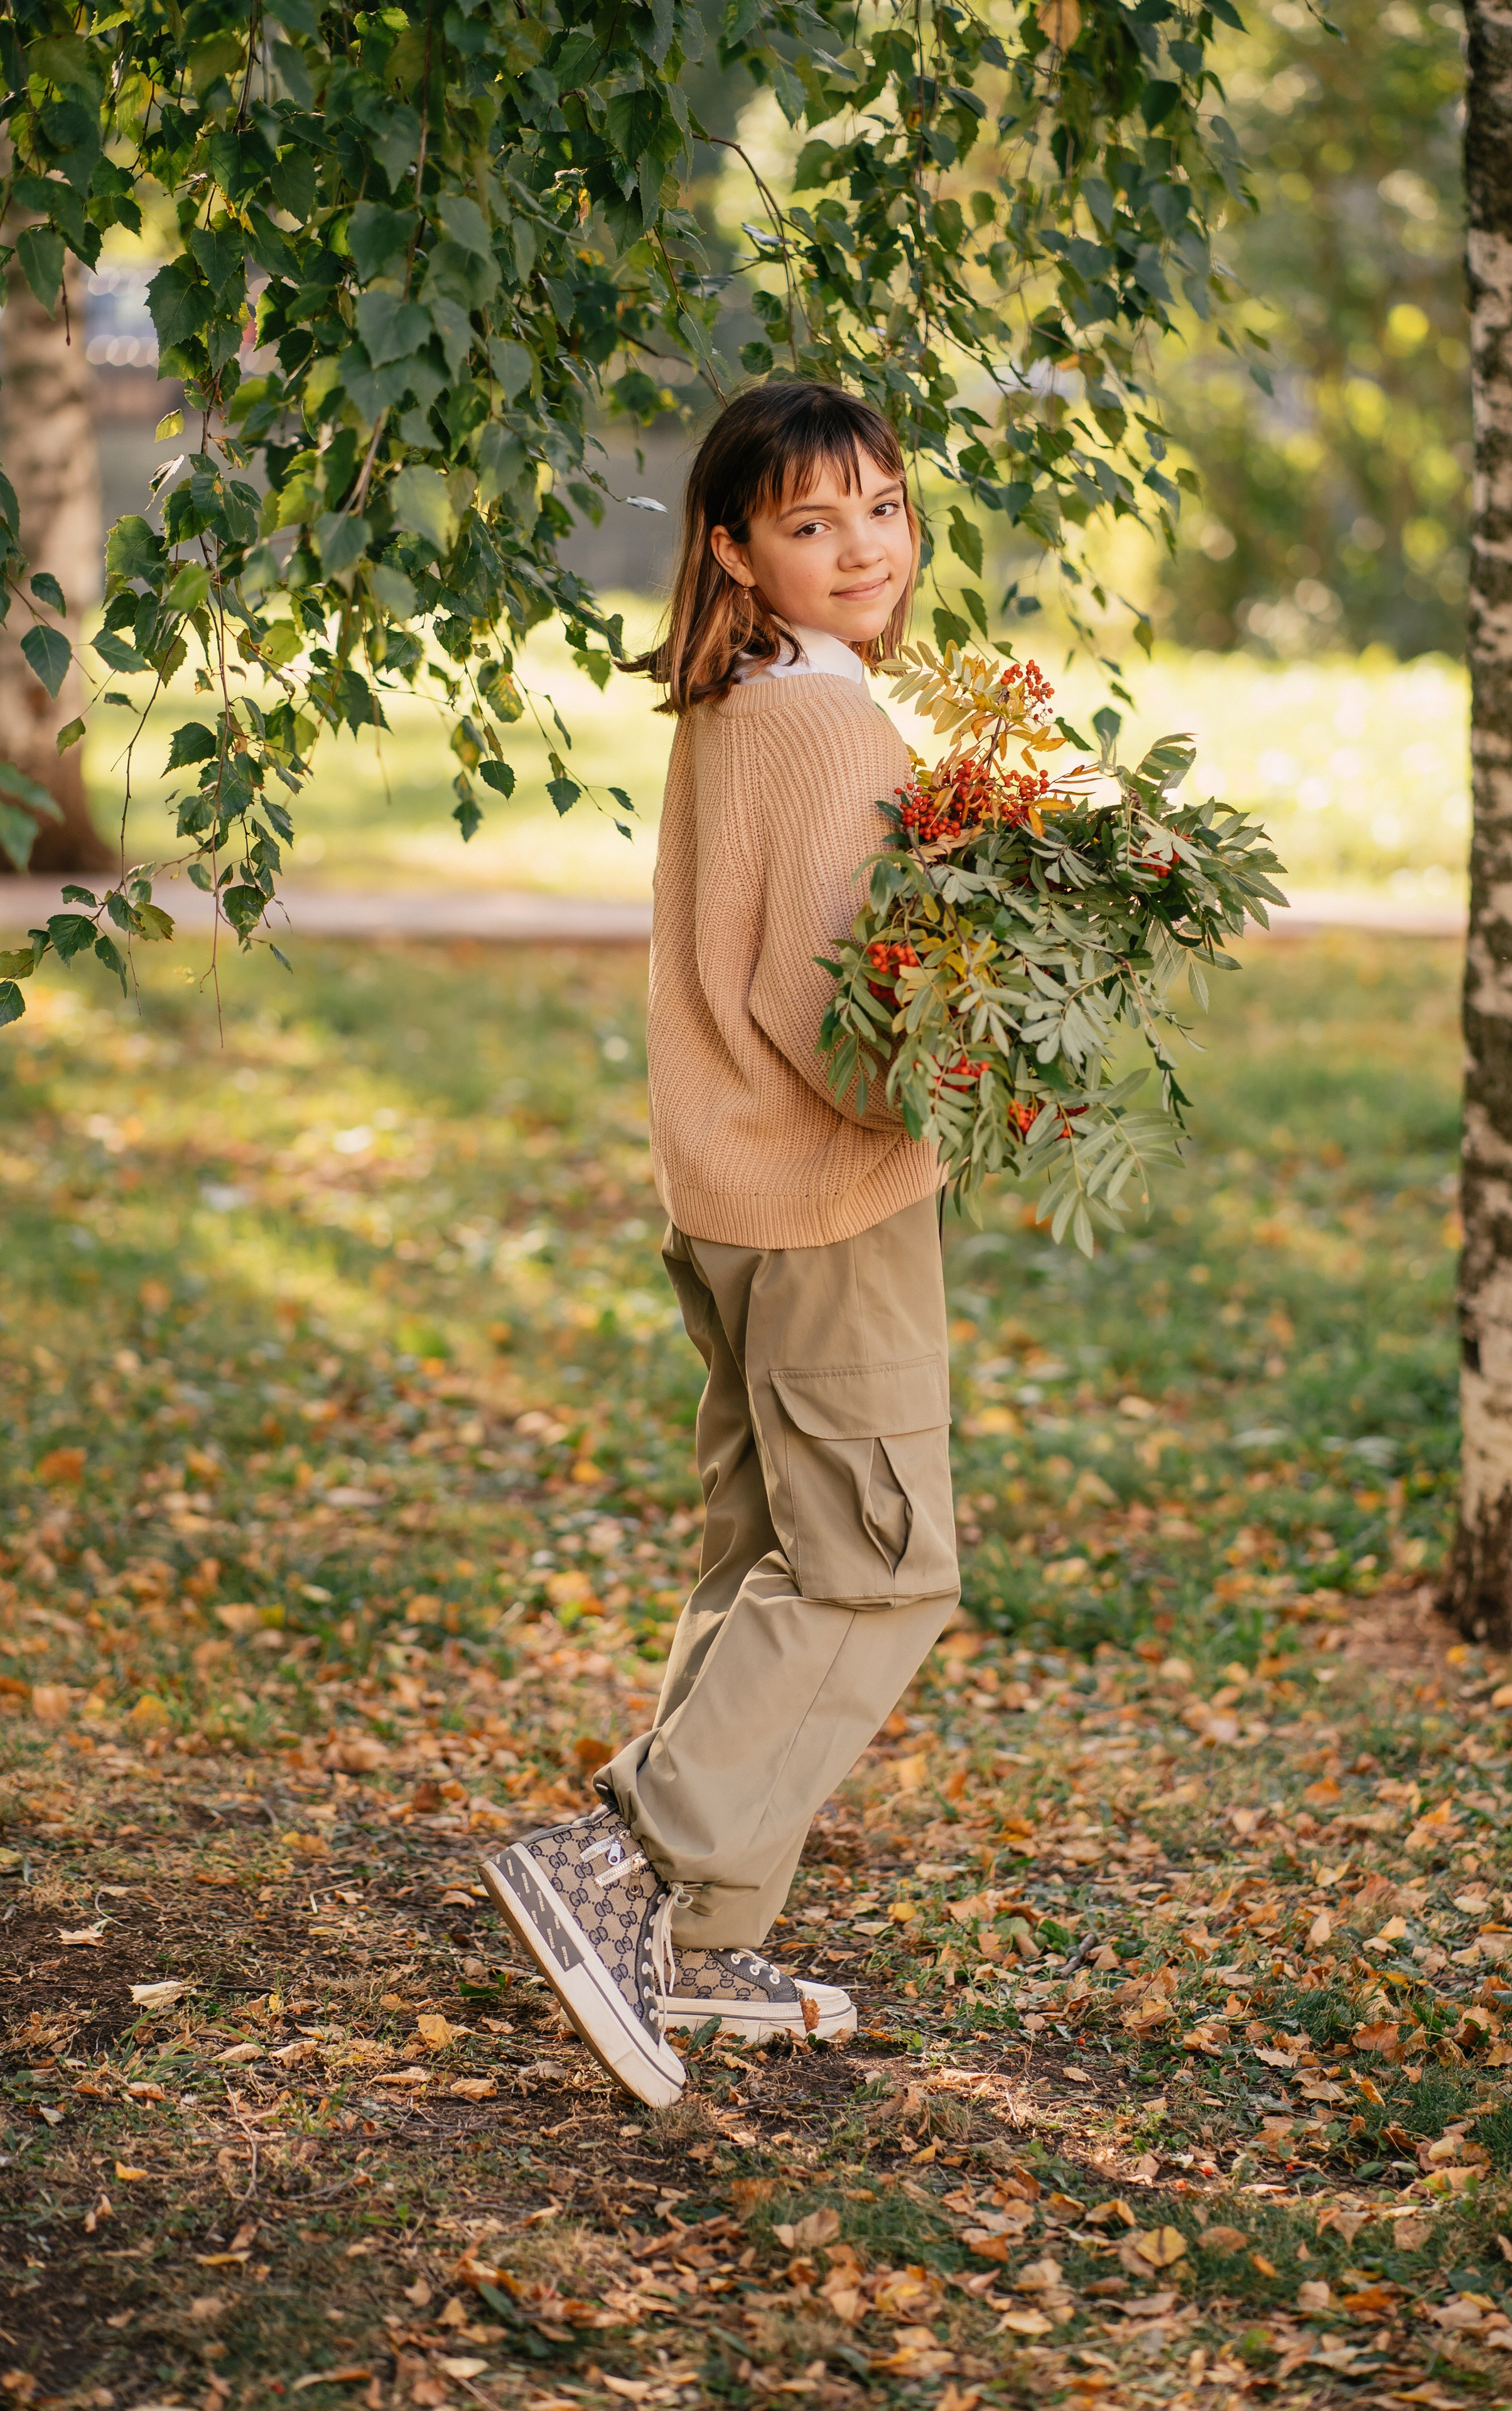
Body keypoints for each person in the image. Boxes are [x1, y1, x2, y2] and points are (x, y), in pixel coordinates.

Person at [480, 383, 960, 2106]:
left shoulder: (743, 700)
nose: (862, 550)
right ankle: (620, 1853)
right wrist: (978, 1077)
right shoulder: (828, 726)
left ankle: (692, 1946)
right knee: (879, 1566)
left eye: (883, 511)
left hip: (729, 1198)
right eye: (815, 523)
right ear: (736, 550)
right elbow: (838, 1013)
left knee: (763, 1560)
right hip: (823, 1203)